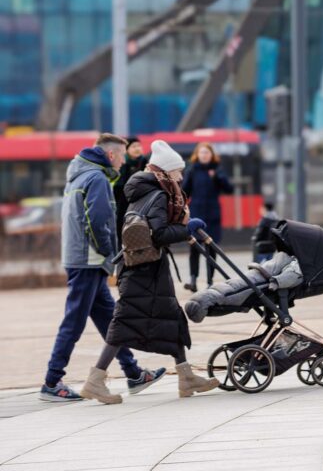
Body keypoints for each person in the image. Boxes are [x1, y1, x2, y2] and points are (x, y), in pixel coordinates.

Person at [80, 140, 219, 404]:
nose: (181, 175)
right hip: (141, 270)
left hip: (148, 267)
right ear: (165, 172)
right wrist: (187, 229)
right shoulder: (157, 194)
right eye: (177, 171)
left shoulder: (148, 190)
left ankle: (186, 376)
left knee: (172, 317)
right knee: (124, 323)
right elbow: (159, 233)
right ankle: (95, 380)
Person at [41, 134, 163, 402]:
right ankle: (51, 381)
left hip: (83, 259)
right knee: (73, 322)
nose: (123, 160)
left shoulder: (80, 175)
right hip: (88, 261)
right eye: (121, 155)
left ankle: (132, 373)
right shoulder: (96, 178)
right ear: (110, 155)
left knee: (110, 320)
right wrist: (110, 252)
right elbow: (95, 222)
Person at [182, 142, 234, 292]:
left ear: (212, 155)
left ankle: (210, 281)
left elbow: (229, 189)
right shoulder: (192, 170)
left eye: (207, 153)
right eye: (202, 153)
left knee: (211, 249)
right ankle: (193, 280)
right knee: (194, 248)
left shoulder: (217, 170)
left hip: (212, 214)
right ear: (197, 155)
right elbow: (184, 191)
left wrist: (217, 176)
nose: (204, 155)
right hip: (196, 213)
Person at [114, 137, 148, 247]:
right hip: (123, 204)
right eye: (134, 146)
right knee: (122, 232)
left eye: (139, 145)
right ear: (127, 150)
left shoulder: (146, 163)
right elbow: (117, 187)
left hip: (142, 204)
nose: (137, 148)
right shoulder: (122, 164)